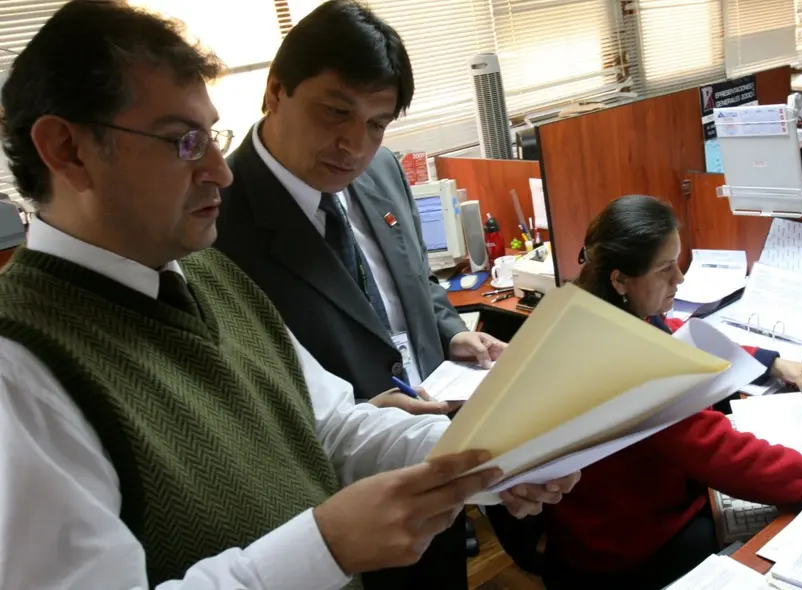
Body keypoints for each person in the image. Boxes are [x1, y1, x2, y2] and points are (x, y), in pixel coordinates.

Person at [0, 3, 577, 589]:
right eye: (183, 142)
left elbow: (333, 427)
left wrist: (491, 458)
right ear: (67, 150)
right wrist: (328, 545)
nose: (219, 172)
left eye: (211, 138)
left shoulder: (207, 275)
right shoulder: (21, 371)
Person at [213, 2, 508, 585]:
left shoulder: (382, 171)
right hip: (332, 506)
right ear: (275, 92)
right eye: (335, 112)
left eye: (376, 123)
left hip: (430, 457)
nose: (354, 144)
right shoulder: (214, 220)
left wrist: (452, 332)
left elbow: (415, 277)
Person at [540, 195, 802, 590]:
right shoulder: (627, 364)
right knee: (776, 546)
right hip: (622, 550)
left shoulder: (595, 309)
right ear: (620, 279)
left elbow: (683, 341)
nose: (679, 279)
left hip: (589, 523)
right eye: (665, 269)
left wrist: (769, 361)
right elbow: (722, 453)